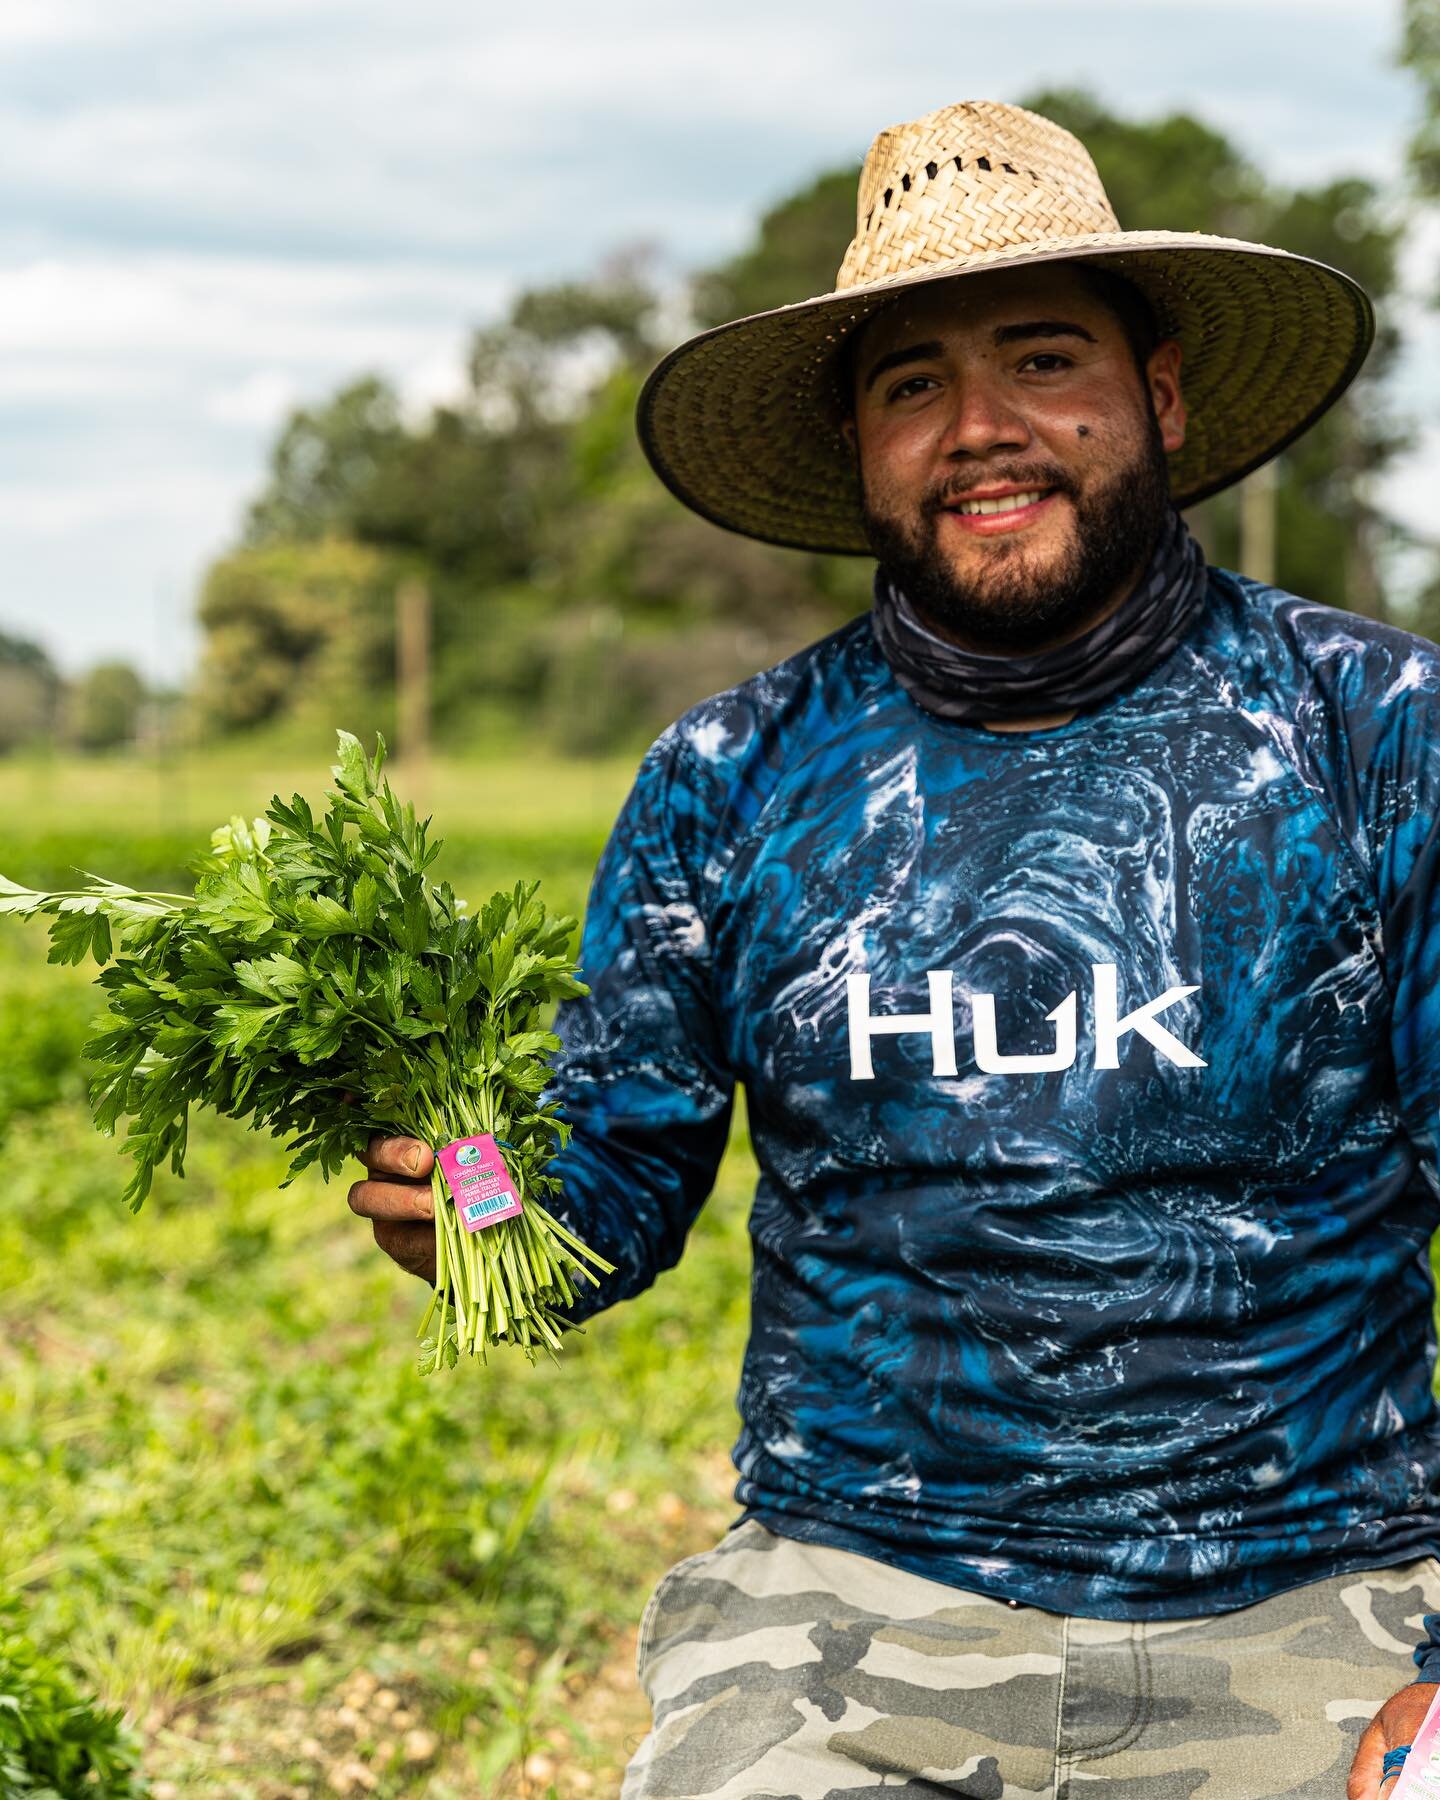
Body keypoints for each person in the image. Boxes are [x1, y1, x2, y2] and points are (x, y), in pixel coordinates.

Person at [347, 100, 1440, 1798]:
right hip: (849, 1615)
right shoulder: (735, 776)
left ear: (1157, 395)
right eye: (913, 384)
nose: (982, 430)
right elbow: (603, 1196)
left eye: (1042, 359)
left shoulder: (1374, 737)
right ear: (862, 446)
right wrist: (472, 1202)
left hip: (1322, 1601)